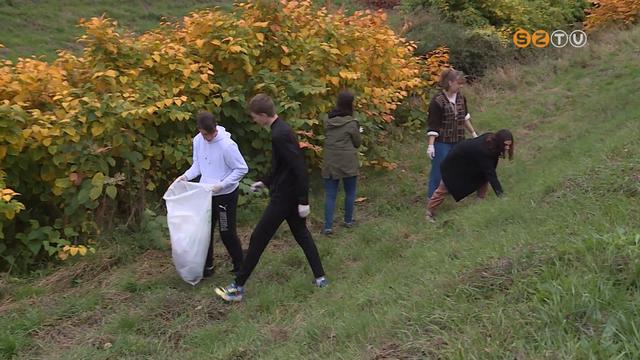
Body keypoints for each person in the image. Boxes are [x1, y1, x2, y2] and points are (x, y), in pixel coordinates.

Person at [215, 94, 327, 302]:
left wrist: (303, 201)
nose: (255, 121)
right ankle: (320, 278)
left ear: (264, 115)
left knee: (258, 238)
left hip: (285, 198)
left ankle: (237, 288)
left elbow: (299, 167)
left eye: (255, 117)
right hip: (287, 193)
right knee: (301, 234)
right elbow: (281, 166)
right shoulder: (280, 129)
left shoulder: (279, 135)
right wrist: (265, 181)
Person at [175, 111, 248, 277]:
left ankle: (240, 265)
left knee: (226, 231)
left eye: (211, 133)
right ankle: (207, 267)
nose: (208, 137)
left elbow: (241, 168)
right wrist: (185, 176)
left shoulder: (227, 145)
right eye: (204, 134)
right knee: (204, 231)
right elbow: (198, 165)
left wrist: (221, 185)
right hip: (205, 194)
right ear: (200, 130)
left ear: (215, 128)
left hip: (225, 195)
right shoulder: (198, 141)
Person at [426, 129, 514, 222]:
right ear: (499, 142)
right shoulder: (485, 151)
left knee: (482, 177)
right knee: (445, 187)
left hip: (470, 162)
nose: (507, 148)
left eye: (509, 145)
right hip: (454, 164)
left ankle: (480, 202)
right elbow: (491, 174)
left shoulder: (491, 142)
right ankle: (429, 212)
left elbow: (488, 172)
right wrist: (501, 195)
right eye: (505, 145)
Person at [426, 68, 478, 200]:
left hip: (459, 139)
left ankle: (454, 190)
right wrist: (431, 145)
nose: (460, 86)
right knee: (439, 170)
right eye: (458, 83)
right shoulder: (437, 101)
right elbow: (434, 125)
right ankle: (432, 199)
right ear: (450, 83)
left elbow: (464, 118)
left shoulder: (461, 98)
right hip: (442, 141)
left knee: (459, 166)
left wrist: (473, 134)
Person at [321, 90, 362, 235]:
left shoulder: (327, 120)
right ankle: (348, 220)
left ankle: (328, 226)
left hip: (330, 161)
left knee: (330, 194)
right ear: (351, 104)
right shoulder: (352, 123)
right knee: (350, 192)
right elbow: (357, 143)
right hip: (348, 161)